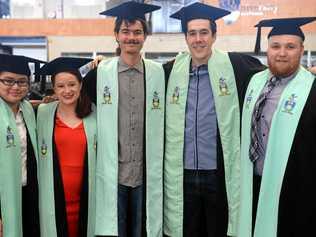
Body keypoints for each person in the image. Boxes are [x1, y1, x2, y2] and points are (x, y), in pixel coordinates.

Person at [163, 3, 266, 237]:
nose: (198, 39)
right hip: (183, 175)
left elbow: (273, 75)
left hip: (218, 174)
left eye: (204, 32)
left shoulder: (236, 66)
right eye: (192, 33)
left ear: (214, 35)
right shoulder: (170, 72)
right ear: (186, 37)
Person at [84, 2, 165, 237]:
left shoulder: (158, 74)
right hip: (113, 173)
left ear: (145, 36)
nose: (131, 37)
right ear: (116, 36)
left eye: (137, 32)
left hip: (145, 172)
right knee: (115, 231)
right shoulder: (99, 74)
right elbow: (73, 97)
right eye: (126, 32)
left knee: (142, 231)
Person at [238, 17, 316, 237]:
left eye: (290, 47)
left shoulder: (311, 88)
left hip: (294, 189)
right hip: (252, 182)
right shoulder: (253, 81)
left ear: (301, 50)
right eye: (276, 46)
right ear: (267, 49)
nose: (282, 53)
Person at [36, 57, 97, 237]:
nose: (67, 90)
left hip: (88, 196)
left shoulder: (95, 114)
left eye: (72, 84)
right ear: (53, 89)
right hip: (53, 198)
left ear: (80, 85)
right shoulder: (43, 113)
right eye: (60, 86)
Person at [0, 54, 43, 237]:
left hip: (27, 192)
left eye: (22, 82)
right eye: (8, 81)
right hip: (3, 198)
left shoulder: (27, 110)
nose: (16, 87)